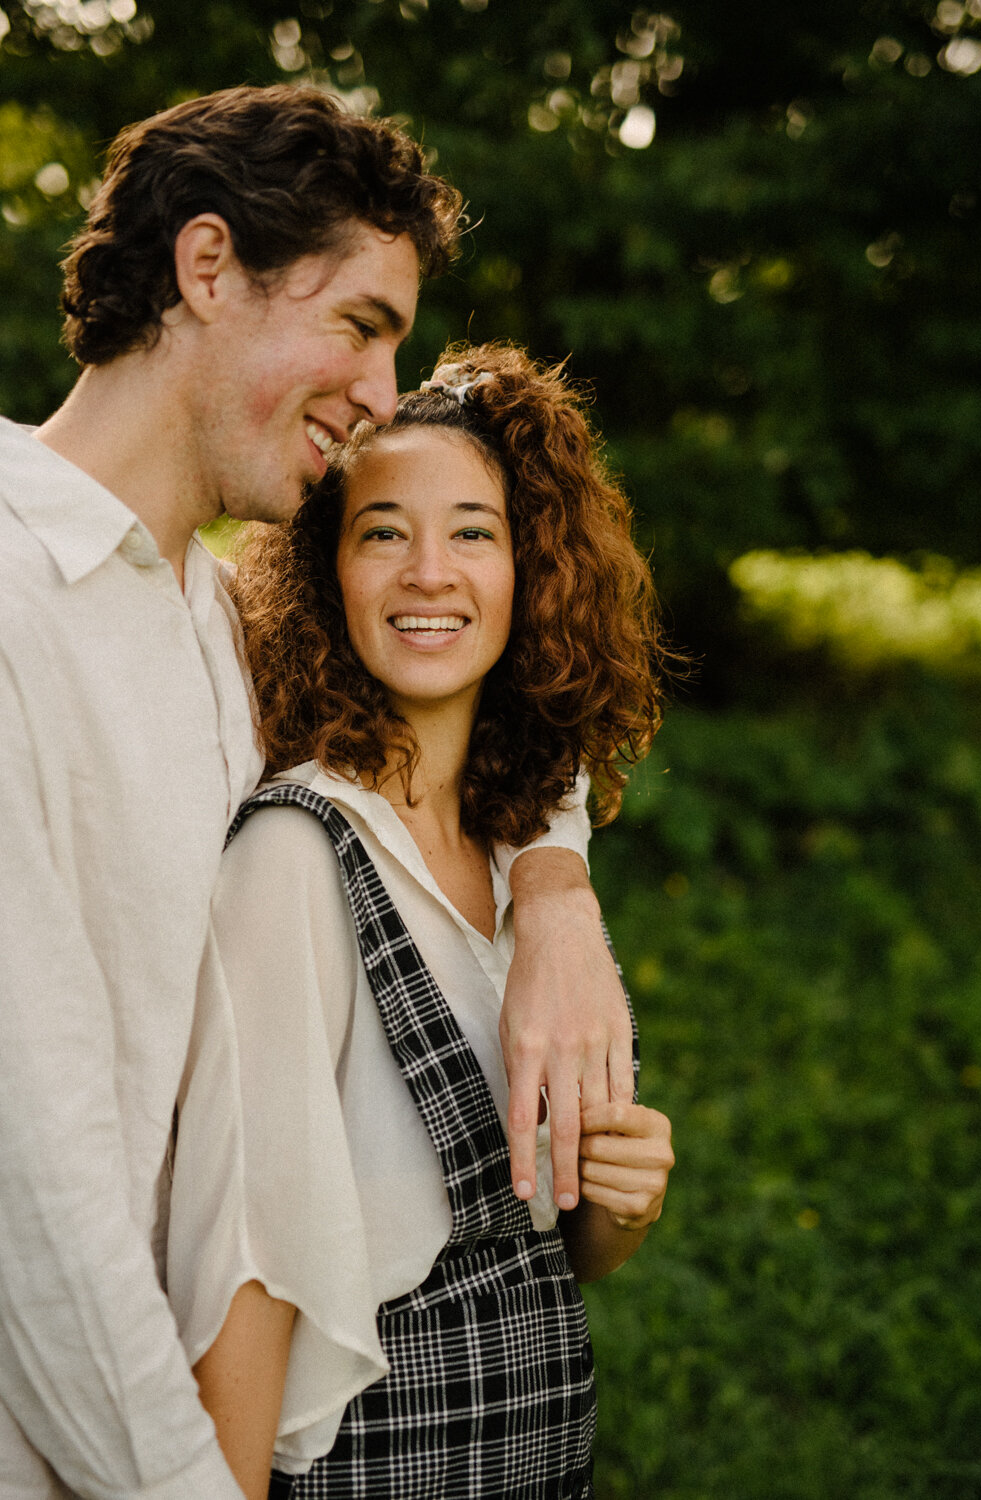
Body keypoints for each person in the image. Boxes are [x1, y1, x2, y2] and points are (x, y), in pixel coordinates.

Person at [0, 88, 633, 1499]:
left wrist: (554, 887)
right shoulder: (11, 606)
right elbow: (27, 1193)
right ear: (208, 267)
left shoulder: (201, 612)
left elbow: (478, 697)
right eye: (360, 322)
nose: (382, 389)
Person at [168, 343, 678, 1499]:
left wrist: (619, 1201)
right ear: (326, 571)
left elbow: (556, 1253)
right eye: (383, 531)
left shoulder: (523, 858)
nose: (427, 573)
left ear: (531, 572)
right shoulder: (296, 858)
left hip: (539, 1457)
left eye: (474, 533)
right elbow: (248, 1268)